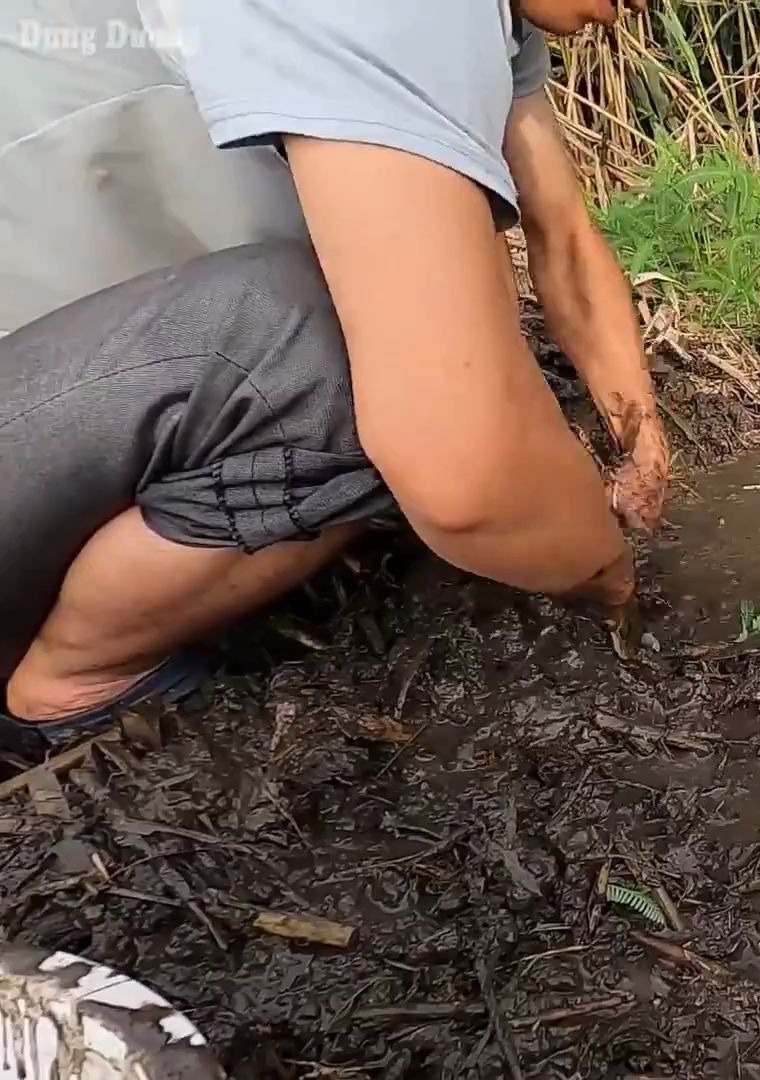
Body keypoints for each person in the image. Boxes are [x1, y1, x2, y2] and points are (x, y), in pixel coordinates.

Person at [0, 0, 670, 754]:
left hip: (75, 403)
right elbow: (459, 470)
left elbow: (568, 241)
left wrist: (637, 439)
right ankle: (76, 682)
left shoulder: (491, 22)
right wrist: (612, 581)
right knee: (361, 359)